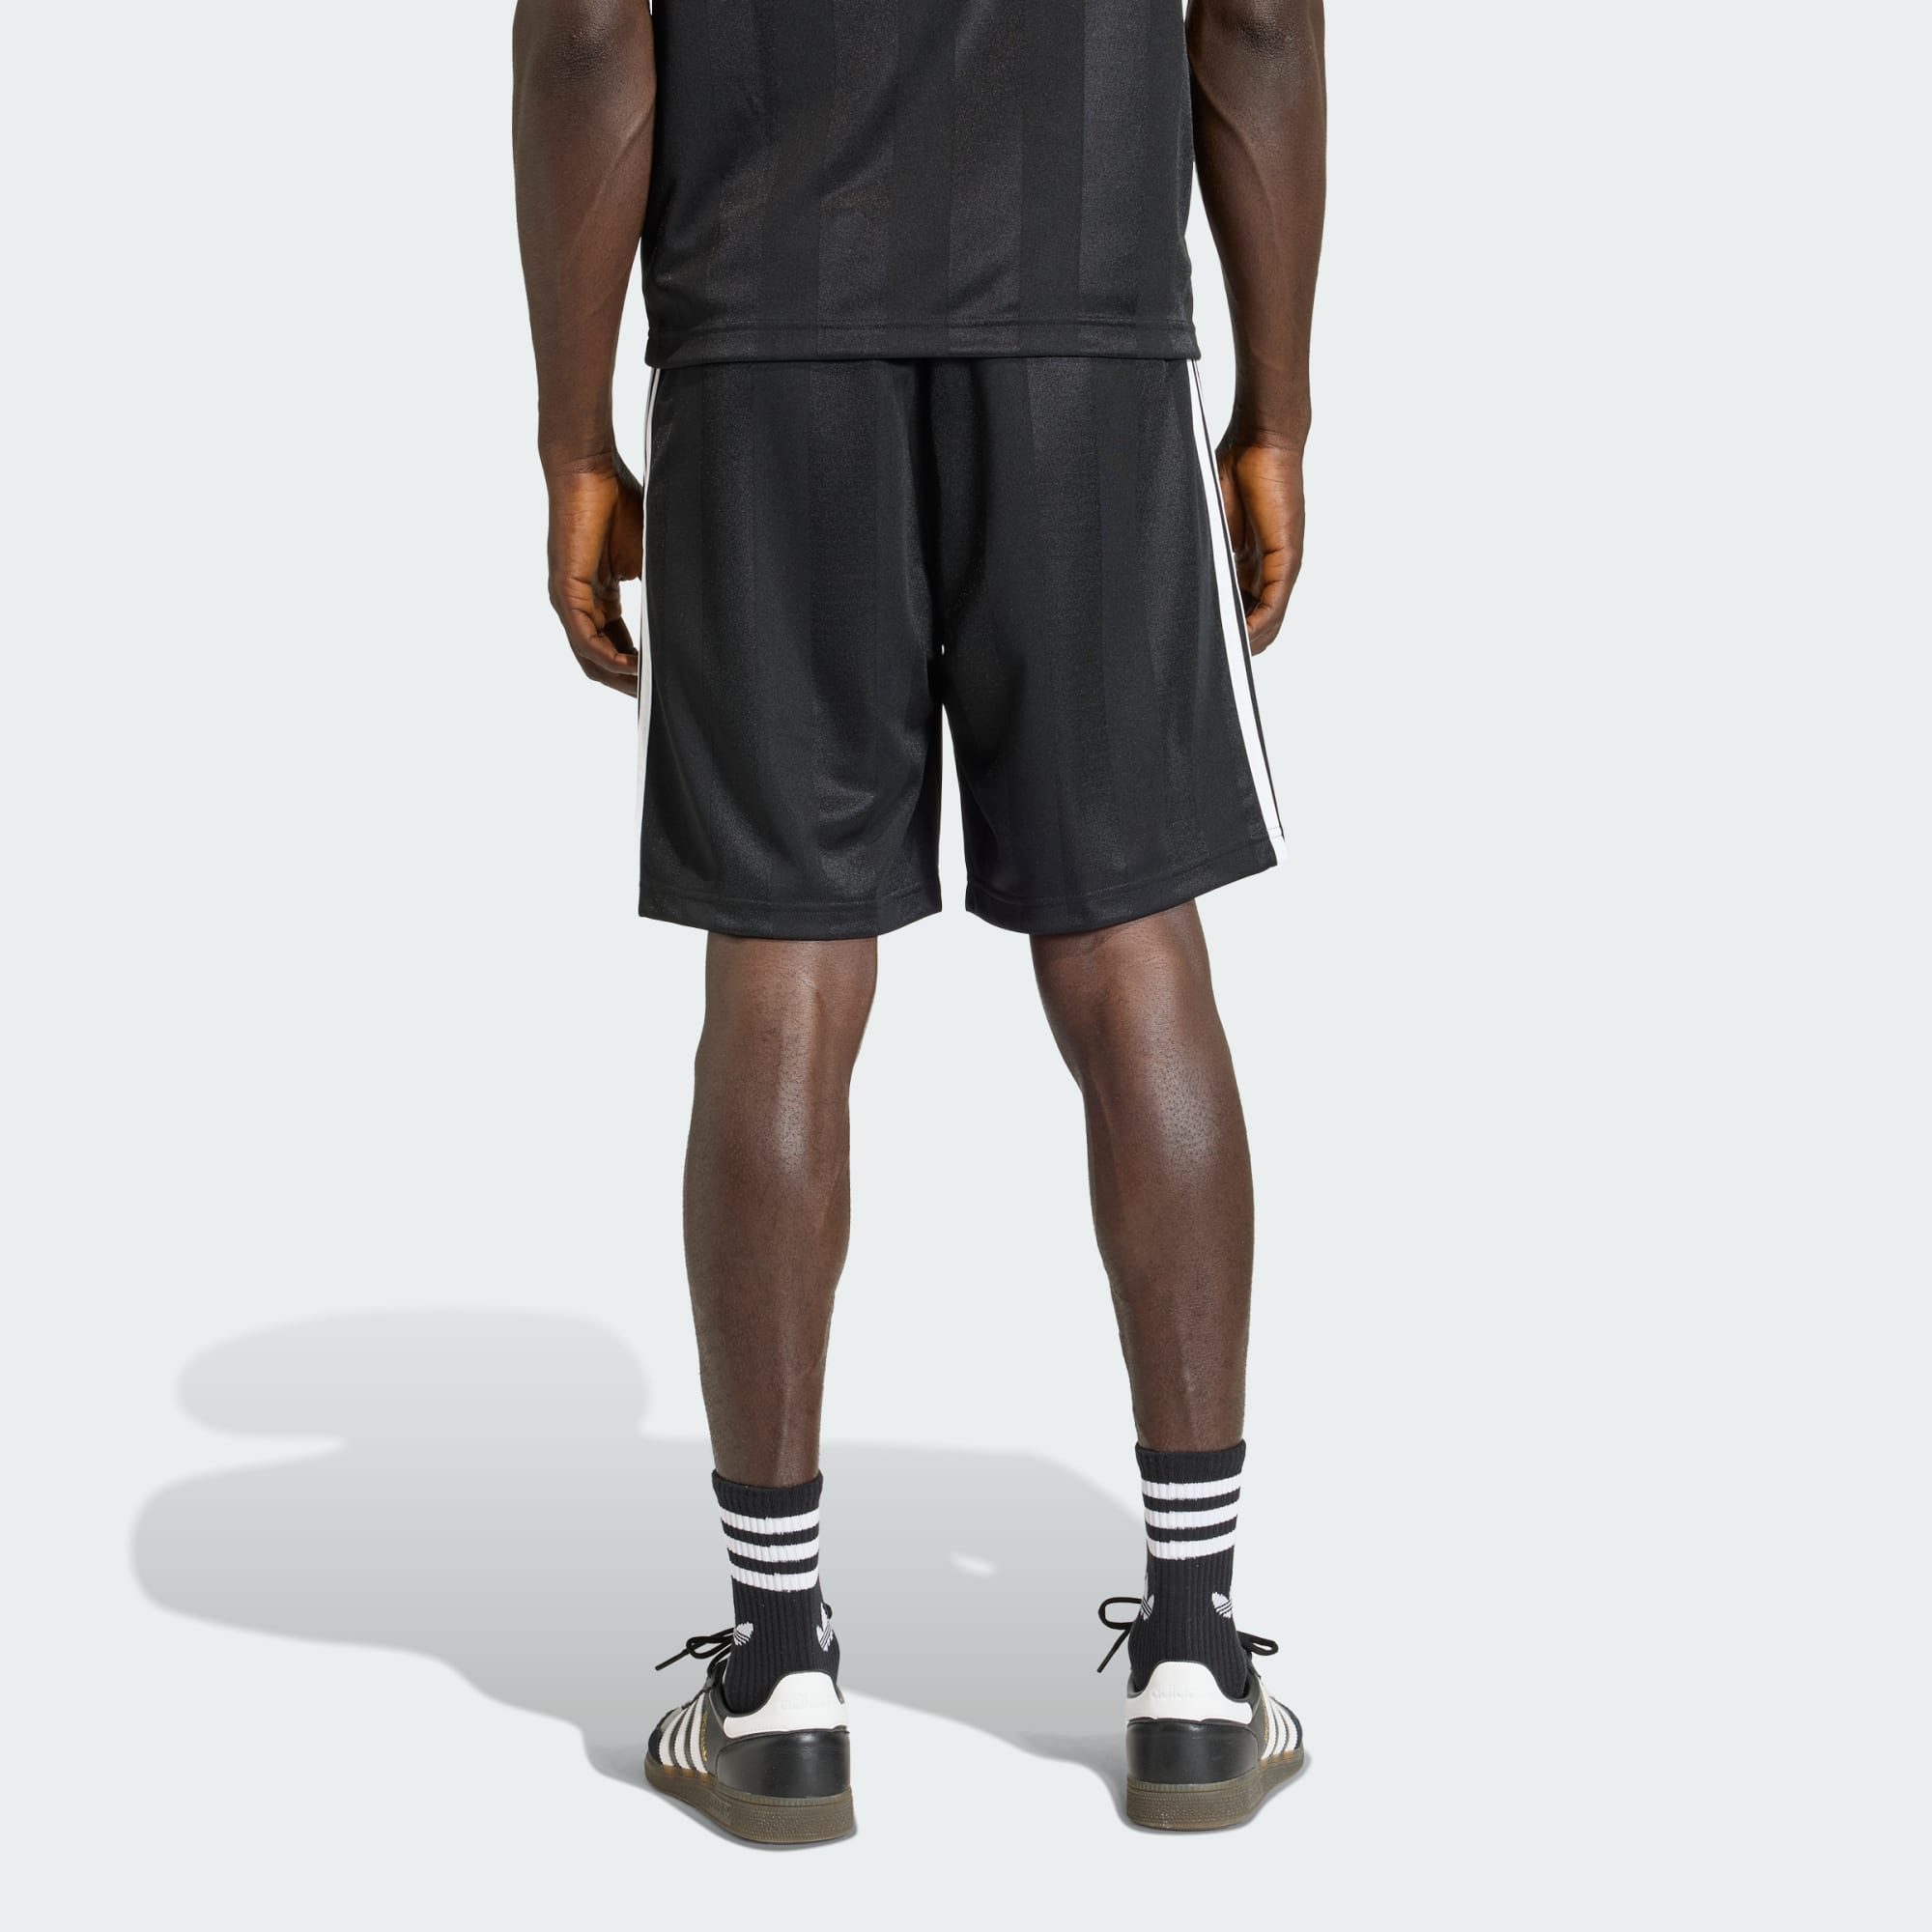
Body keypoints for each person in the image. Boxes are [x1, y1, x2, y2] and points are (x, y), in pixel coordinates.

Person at [512, 0, 1325, 1840]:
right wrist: (1276, 402)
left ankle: (777, 1674)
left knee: (784, 968)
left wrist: (572, 434)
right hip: (1086, 334)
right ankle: (1197, 1659)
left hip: (762, 343)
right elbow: (1263, 19)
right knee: (1132, 948)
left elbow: (584, 35)